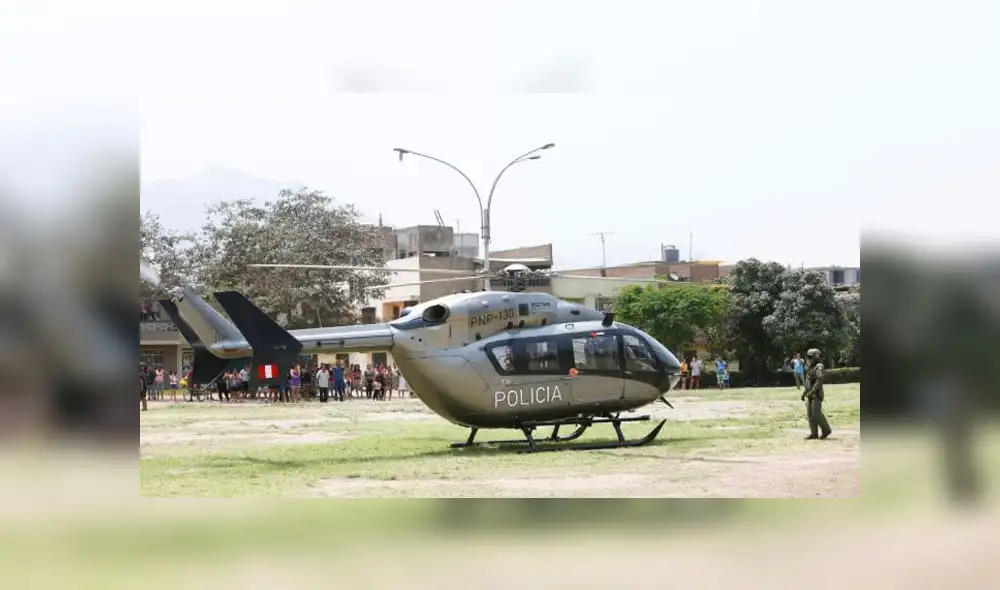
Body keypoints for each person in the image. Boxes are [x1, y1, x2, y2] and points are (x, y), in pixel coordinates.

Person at [801, 348, 832, 440]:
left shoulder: (819, 366)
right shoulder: (810, 368)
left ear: (816, 357)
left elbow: (819, 380)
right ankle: (814, 433)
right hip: (810, 395)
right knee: (810, 415)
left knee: (816, 414)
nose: (808, 359)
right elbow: (808, 384)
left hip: (816, 394)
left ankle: (826, 430)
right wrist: (804, 393)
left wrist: (812, 392)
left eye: (810, 357)